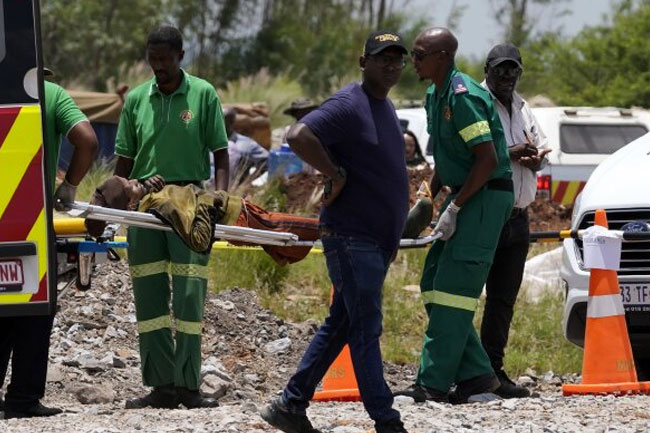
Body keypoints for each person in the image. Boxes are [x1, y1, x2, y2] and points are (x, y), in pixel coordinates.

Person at [260, 30, 410, 433]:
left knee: (342, 324)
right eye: (383, 59)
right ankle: (386, 419)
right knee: (366, 328)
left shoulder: (385, 107)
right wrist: (334, 171)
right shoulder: (349, 103)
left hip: (374, 240)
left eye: (398, 59)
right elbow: (297, 135)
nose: (392, 66)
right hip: (351, 236)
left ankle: (290, 405)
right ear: (364, 63)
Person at [394, 27, 514, 404]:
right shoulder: (434, 94)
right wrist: (429, 193)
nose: (412, 61)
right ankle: (477, 375)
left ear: (443, 56)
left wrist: (457, 206)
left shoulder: (463, 96)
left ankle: (432, 383)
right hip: (464, 193)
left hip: (484, 196)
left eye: (419, 54)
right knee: (433, 282)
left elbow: (487, 159)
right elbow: (448, 155)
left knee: (453, 292)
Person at [113, 25, 229, 409]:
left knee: (189, 295)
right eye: (153, 58)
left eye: (165, 58)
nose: (158, 66)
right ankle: (160, 386)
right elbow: (125, 161)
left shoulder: (203, 93)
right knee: (148, 295)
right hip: (145, 203)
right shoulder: (134, 99)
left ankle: (188, 386)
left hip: (191, 201)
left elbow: (220, 152)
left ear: (181, 55)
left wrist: (219, 197)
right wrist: (119, 197)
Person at [0, 72, 98, 418]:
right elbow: (87, 140)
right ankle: (22, 398)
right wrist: (69, 186)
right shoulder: (51, 94)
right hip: (30, 216)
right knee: (33, 306)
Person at [479, 43, 550, 398]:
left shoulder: (523, 108)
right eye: (501, 69)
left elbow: (539, 147)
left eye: (513, 70)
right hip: (487, 216)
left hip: (519, 218)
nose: (507, 76)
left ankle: (493, 372)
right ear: (487, 69)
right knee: (462, 297)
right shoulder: (475, 103)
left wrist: (536, 159)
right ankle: (465, 373)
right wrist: (511, 154)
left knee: (503, 300)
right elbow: (473, 157)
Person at [86, 175, 319, 264]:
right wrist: (207, 206)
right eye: (131, 187)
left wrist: (154, 185)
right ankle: (336, 230)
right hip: (236, 216)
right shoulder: (159, 206)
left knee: (289, 240)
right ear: (130, 204)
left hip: (238, 210)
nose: (135, 180)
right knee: (305, 229)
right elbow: (199, 240)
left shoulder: (152, 198)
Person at [224, 107, 269, 186]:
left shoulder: (246, 144)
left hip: (231, 192)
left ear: (231, 122)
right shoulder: (203, 142)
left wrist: (246, 183)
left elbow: (267, 162)